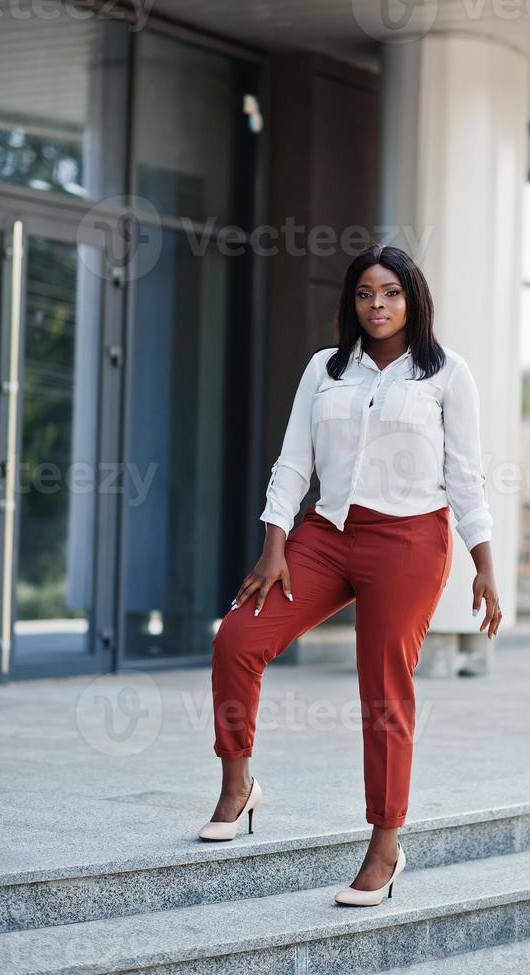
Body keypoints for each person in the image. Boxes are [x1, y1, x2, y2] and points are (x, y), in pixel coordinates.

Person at [199, 243, 502, 907]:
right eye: (366, 293)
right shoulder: (325, 369)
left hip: (409, 542)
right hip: (327, 535)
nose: (377, 305)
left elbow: (465, 475)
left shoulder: (447, 374)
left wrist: (483, 562)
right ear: (352, 301)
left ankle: (385, 845)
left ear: (412, 298)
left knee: (383, 691)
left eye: (390, 292)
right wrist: (275, 543)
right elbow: (292, 461)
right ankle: (238, 785)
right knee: (236, 640)